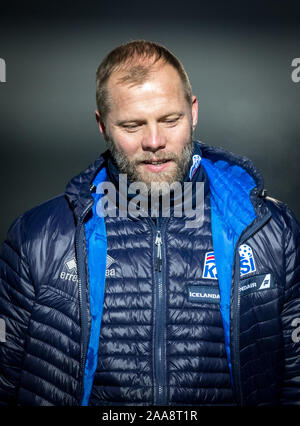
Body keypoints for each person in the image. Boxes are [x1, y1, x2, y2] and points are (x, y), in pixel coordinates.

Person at [0, 40, 299, 407]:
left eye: (170, 120)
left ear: (193, 112)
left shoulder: (271, 232)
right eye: (131, 125)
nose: (154, 141)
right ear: (102, 126)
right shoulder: (38, 238)